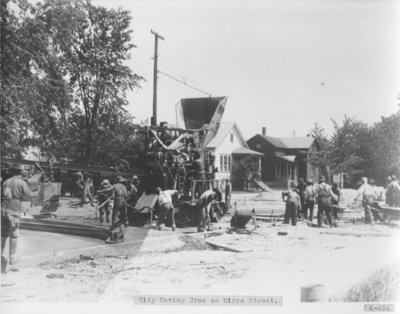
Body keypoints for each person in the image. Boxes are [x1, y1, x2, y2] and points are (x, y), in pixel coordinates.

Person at [1, 167, 38, 268]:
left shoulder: (5, 182)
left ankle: (0, 255)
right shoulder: (21, 182)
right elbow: (28, 194)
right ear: (19, 173)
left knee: (3, 234)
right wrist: (36, 192)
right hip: (14, 210)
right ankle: (12, 258)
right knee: (14, 235)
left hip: (3, 209)